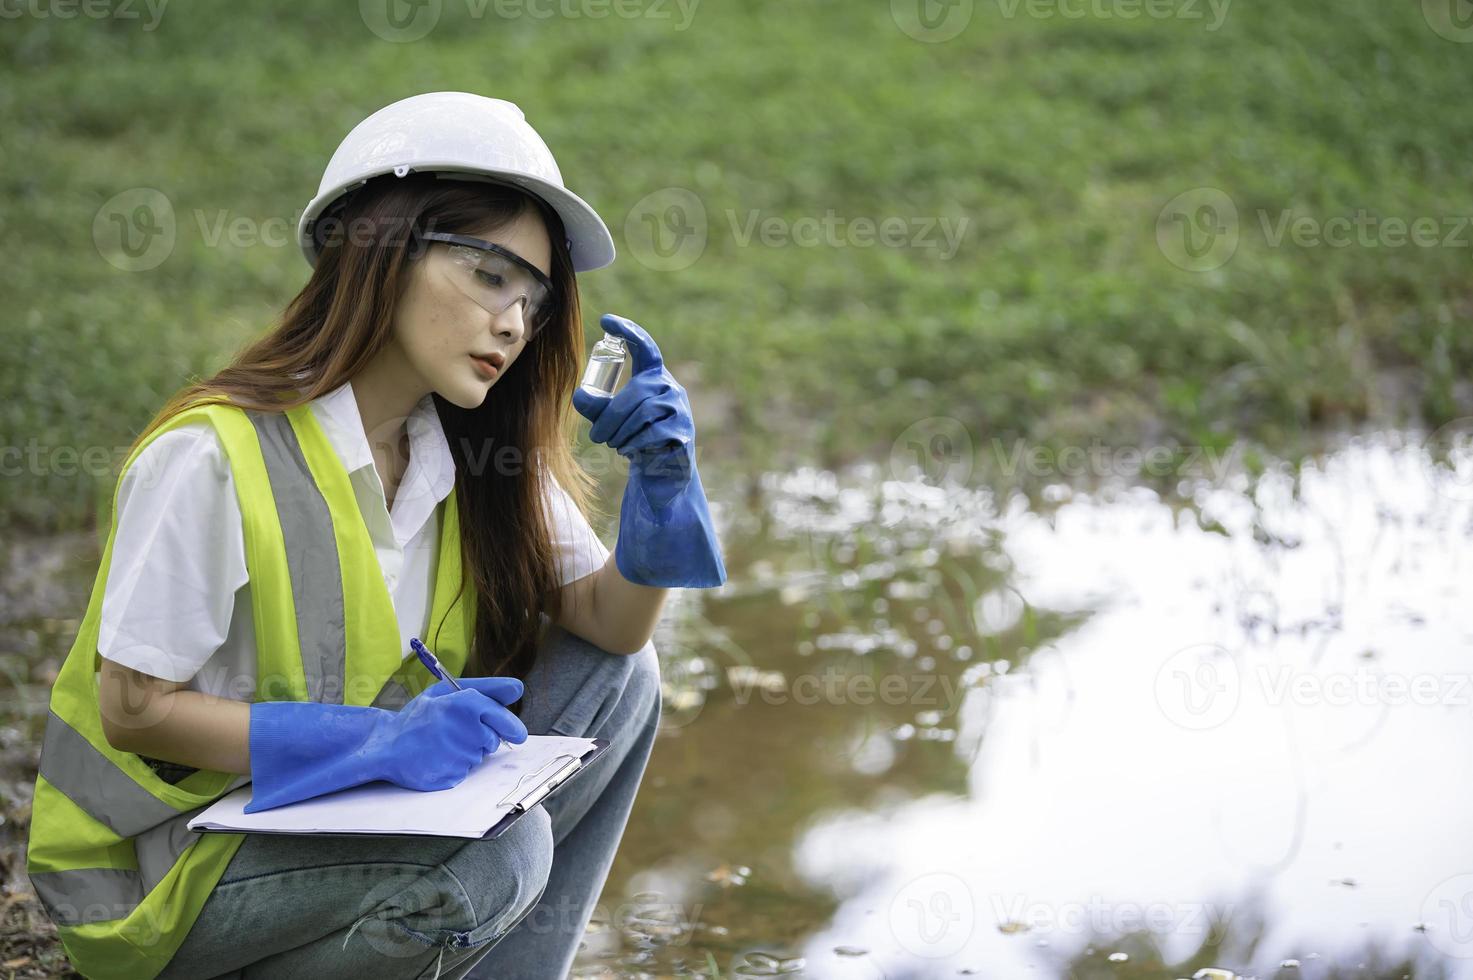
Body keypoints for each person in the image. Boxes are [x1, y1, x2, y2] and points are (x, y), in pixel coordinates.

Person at [25, 91, 727, 980]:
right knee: (500, 855)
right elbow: (131, 711)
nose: (514, 322)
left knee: (620, 683)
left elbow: (613, 630)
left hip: (330, 821)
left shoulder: (468, 450)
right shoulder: (214, 455)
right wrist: (370, 744)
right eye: (488, 274)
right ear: (382, 251)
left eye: (534, 299)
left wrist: (661, 493)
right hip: (159, 873)